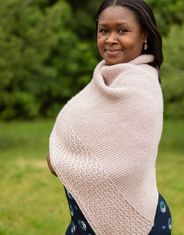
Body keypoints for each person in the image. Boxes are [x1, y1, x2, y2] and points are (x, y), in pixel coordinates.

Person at [47, 0, 172, 234]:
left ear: (144, 35)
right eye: (104, 30)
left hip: (133, 221)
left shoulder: (140, 86)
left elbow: (126, 166)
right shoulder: (102, 81)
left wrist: (60, 161)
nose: (111, 39)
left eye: (122, 30)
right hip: (82, 221)